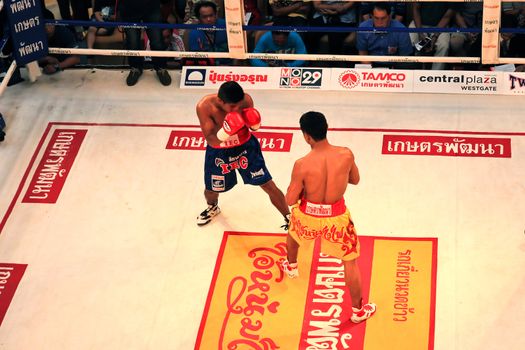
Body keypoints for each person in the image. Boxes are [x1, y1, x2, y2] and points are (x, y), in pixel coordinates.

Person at [281, 111, 376, 324]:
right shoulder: (346, 154)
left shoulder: (301, 164)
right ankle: (358, 311)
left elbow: (289, 199)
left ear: (306, 136)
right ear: (327, 128)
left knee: (293, 229)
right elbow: (355, 179)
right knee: (349, 262)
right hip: (337, 216)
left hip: (307, 214)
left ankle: (292, 266)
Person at [195, 81, 290, 228]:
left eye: (239, 104)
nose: (237, 109)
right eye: (232, 106)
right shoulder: (205, 107)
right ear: (221, 101)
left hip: (246, 147)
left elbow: (253, 128)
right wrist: (226, 131)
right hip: (219, 151)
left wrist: (255, 124)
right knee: (211, 189)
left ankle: (288, 216)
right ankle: (212, 207)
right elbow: (211, 140)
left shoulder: (246, 100)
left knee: (267, 183)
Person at [119, 0, 172, 86]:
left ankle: (161, 68)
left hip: (151, 7)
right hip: (129, 8)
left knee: (157, 40)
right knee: (133, 42)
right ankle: (135, 68)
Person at [356, 2, 415, 69]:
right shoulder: (363, 28)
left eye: (383, 18)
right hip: (371, 65)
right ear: (371, 17)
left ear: (389, 17)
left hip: (395, 66)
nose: (380, 22)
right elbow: (363, 53)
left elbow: (404, 58)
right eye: (376, 18)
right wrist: (371, 72)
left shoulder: (401, 29)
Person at [408, 2, 456, 71]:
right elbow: (416, 9)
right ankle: (415, 71)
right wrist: (420, 32)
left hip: (441, 26)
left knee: (444, 45)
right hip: (419, 23)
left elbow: (447, 16)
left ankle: (435, 75)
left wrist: (435, 36)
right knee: (410, 38)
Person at [186, 0, 230, 66]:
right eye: (204, 17)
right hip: (207, 68)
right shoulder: (194, 33)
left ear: (216, 15)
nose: (209, 19)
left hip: (230, 66)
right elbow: (196, 59)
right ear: (199, 18)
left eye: (211, 15)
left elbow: (239, 49)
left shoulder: (226, 26)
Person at [39, 9, 81, 75]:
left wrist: (57, 66)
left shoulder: (64, 33)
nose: (47, 28)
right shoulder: (35, 36)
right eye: (43, 25)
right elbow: (27, 60)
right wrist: (45, 59)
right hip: (41, 71)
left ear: (54, 23)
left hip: (65, 69)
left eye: (49, 24)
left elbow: (76, 58)